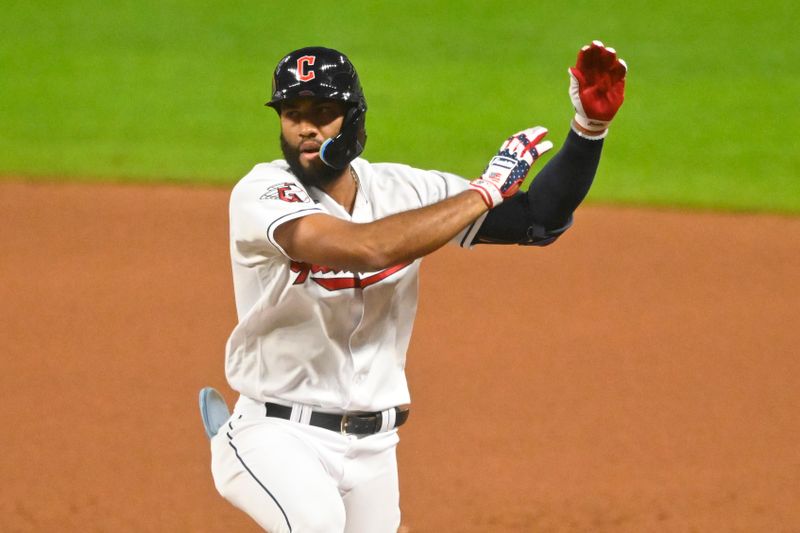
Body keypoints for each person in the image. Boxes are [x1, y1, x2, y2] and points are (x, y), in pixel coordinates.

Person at [207, 42, 627, 532]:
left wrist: (588, 131)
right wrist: (483, 191)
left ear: (354, 119)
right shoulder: (262, 193)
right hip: (278, 433)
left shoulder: (403, 191)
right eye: (292, 113)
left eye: (324, 112)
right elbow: (366, 247)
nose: (306, 127)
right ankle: (233, 447)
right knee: (317, 525)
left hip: (373, 447)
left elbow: (538, 219)